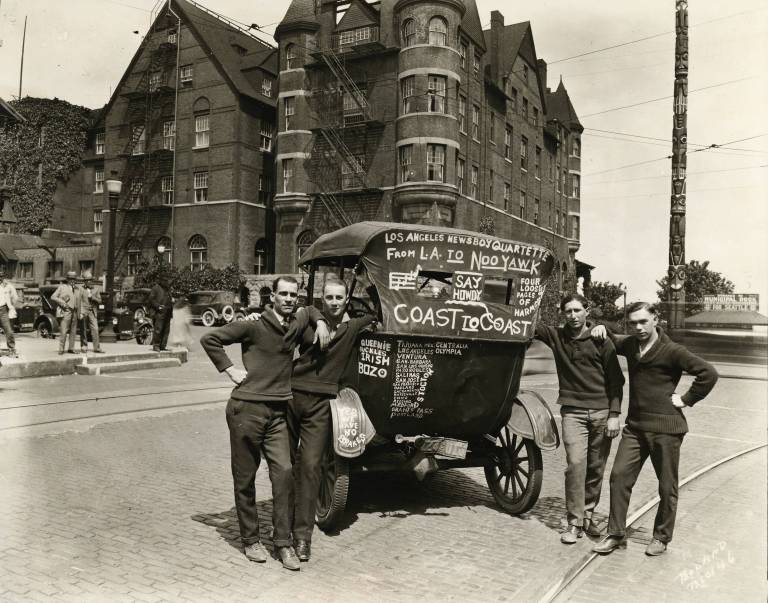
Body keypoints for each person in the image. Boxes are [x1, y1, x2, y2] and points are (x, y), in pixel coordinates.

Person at [200, 276, 331, 571]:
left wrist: (320, 320)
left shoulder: (294, 325)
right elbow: (210, 339)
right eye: (282, 294)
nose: (288, 298)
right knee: (245, 478)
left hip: (278, 414)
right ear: (272, 296)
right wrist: (230, 369)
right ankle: (250, 539)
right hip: (246, 409)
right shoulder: (253, 324)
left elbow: (309, 310)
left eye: (292, 294)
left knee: (284, 473)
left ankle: (282, 544)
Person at [591, 302, 718, 556]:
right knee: (619, 478)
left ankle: (661, 537)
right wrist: (599, 327)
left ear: (655, 319)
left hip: (667, 428)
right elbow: (611, 336)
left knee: (666, 486)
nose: (638, 327)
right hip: (635, 427)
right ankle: (616, 533)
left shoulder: (672, 351)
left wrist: (686, 399)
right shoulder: (630, 344)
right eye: (633, 323)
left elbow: (708, 373)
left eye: (643, 322)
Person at [289, 276, 376, 561]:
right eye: (329, 298)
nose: (335, 303)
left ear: (346, 301)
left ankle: (302, 537)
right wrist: (318, 319)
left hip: (320, 404)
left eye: (340, 298)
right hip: (291, 397)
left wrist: (374, 287)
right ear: (321, 299)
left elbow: (377, 315)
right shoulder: (308, 319)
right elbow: (299, 314)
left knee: (312, 465)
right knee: (286, 465)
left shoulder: (351, 328)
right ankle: (284, 526)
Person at [534, 293, 625, 544]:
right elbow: (529, 322)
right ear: (563, 313)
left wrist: (614, 415)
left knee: (596, 467)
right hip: (572, 411)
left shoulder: (601, 340)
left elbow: (617, 381)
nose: (572, 316)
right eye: (568, 311)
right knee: (576, 465)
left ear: (587, 310)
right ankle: (574, 522)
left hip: (601, 412)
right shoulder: (557, 336)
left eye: (577, 310)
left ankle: (588, 515)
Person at [51, 271, 80, 355]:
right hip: (66, 311)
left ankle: (71, 348)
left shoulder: (77, 289)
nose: (72, 281)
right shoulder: (62, 287)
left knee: (73, 331)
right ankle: (61, 349)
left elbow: (79, 301)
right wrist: (62, 302)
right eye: (70, 279)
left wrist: (79, 312)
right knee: (63, 331)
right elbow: (53, 297)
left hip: (75, 311)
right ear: (67, 280)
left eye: (74, 279)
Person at [77, 271, 104, 353]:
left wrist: (92, 297)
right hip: (84, 311)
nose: (88, 282)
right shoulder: (80, 289)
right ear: (84, 281)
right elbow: (79, 301)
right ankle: (84, 346)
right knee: (83, 329)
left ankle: (97, 347)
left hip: (92, 312)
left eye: (90, 280)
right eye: (87, 280)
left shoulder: (96, 289)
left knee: (95, 329)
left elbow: (100, 301)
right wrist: (80, 312)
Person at [148, 275, 173, 351]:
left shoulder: (167, 289)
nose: (167, 282)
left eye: (167, 280)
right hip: (159, 312)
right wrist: (158, 306)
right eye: (165, 280)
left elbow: (169, 298)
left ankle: (163, 346)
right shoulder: (156, 288)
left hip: (167, 311)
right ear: (161, 281)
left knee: (166, 330)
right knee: (158, 329)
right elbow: (151, 300)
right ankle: (156, 346)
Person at [0, 266, 19, 358]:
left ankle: (12, 349)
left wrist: (11, 306)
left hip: (4, 310)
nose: (0, 278)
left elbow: (15, 297)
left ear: (3, 277)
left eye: (1, 276)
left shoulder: (8, 286)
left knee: (9, 330)